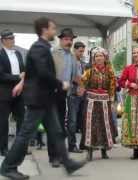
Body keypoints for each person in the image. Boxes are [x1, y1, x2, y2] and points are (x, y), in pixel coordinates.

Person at [0, 17, 86, 180]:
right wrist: (61, 84)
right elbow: (43, 73)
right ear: (45, 30)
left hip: (45, 98)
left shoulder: (43, 47)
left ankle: (67, 163)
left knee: (56, 131)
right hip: (38, 99)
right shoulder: (39, 48)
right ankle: (8, 166)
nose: (55, 31)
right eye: (53, 29)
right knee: (26, 134)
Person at [48, 28, 80, 168]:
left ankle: (60, 156)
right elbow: (47, 73)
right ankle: (53, 157)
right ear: (60, 40)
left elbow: (76, 75)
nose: (69, 41)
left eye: (70, 39)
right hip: (51, 92)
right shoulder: (53, 53)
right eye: (66, 39)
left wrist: (80, 86)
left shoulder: (72, 56)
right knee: (53, 126)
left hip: (64, 94)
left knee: (60, 126)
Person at [78, 47, 116, 161]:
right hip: (91, 101)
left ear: (105, 58)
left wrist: (112, 101)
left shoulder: (110, 72)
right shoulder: (89, 71)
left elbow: (112, 87)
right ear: (94, 59)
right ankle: (89, 151)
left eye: (101, 56)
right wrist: (81, 88)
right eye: (97, 56)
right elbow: (82, 81)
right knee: (90, 125)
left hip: (104, 101)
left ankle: (104, 151)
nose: (99, 58)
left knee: (105, 125)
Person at [0, 29, 25, 157]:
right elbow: (1, 75)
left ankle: (20, 147)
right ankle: (3, 148)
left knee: (22, 119)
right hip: (4, 93)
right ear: (3, 40)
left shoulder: (18, 54)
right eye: (10, 38)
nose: (13, 40)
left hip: (19, 92)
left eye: (13, 38)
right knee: (3, 121)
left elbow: (23, 70)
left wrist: (24, 76)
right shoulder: (0, 54)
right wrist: (18, 77)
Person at [67, 41, 87, 153]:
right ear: (74, 50)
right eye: (80, 51)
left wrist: (83, 87)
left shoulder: (83, 63)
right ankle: (71, 145)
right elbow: (73, 76)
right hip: (73, 94)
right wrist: (81, 85)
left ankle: (82, 144)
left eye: (83, 51)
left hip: (82, 94)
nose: (82, 53)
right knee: (72, 121)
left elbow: (84, 77)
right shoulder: (70, 61)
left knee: (81, 120)